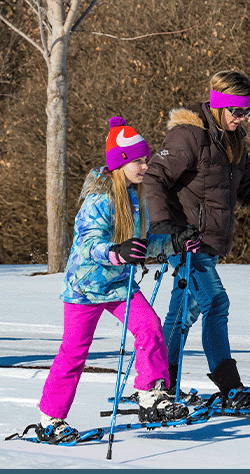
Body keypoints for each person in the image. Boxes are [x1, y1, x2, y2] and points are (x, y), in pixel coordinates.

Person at [36, 117, 197, 444]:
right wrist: (117, 252)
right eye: (138, 160)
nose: (144, 164)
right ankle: (50, 420)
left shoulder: (134, 199)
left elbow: (140, 246)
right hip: (87, 287)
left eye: (146, 158)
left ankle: (151, 395)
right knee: (74, 353)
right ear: (120, 163)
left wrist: (173, 243)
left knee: (149, 327)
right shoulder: (100, 199)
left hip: (120, 285)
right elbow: (89, 244)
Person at [143, 70, 250, 409]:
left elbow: (248, 189)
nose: (242, 117)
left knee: (183, 312)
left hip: (208, 244)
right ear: (220, 105)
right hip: (185, 242)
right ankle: (229, 387)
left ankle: (163, 383)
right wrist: (163, 226)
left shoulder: (233, 140)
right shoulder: (189, 135)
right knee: (216, 303)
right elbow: (153, 178)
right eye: (237, 111)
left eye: (247, 111)